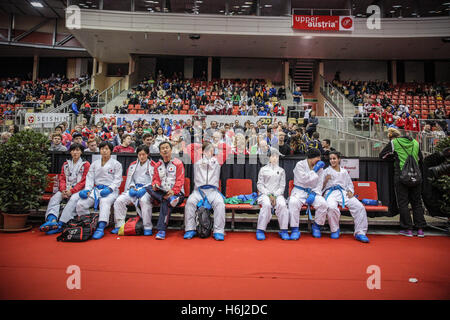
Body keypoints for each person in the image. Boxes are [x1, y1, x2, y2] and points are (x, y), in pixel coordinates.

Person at [379, 129, 427, 237]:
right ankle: (420, 229)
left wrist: (395, 157)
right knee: (417, 202)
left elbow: (382, 155)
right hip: (416, 176)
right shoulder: (415, 142)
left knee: (403, 202)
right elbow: (421, 158)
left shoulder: (394, 142)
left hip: (401, 177)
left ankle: (408, 229)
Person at [75, 141, 123, 240]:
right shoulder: (95, 164)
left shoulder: (116, 164)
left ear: (111, 151)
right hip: (96, 189)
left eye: (106, 149)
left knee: (104, 202)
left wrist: (110, 188)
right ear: (99, 150)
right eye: (102, 149)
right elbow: (90, 178)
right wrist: (87, 189)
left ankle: (101, 226)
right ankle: (87, 223)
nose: (104, 151)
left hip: (110, 190)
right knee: (81, 203)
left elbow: (118, 180)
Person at [39, 143, 90, 234]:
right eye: (73, 150)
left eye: (77, 150)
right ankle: (52, 220)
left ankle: (62, 224)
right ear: (70, 152)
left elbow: (84, 181)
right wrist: (63, 190)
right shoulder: (66, 164)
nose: (75, 152)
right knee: (55, 198)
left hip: (78, 190)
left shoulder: (86, 164)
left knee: (73, 200)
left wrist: (72, 191)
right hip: (65, 189)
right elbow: (62, 178)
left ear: (81, 152)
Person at [183, 142, 229, 241]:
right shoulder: (197, 159)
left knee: (220, 204)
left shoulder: (217, 160)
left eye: (211, 149)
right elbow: (189, 147)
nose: (209, 151)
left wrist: (215, 145)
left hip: (213, 191)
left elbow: (227, 148)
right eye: (207, 150)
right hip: (198, 191)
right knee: (190, 203)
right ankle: (190, 229)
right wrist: (202, 145)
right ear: (203, 151)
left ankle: (218, 231)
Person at [322, 151, 370, 243]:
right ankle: (335, 229)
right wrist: (325, 180)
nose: (332, 161)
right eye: (331, 159)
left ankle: (360, 233)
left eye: (334, 158)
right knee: (331, 207)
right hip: (330, 193)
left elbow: (349, 184)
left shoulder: (344, 171)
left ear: (339, 159)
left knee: (359, 207)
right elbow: (320, 187)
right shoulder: (326, 171)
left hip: (343, 193)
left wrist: (350, 192)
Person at [112, 145, 155, 235]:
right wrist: (131, 187)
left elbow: (155, 180)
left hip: (147, 190)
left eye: (144, 154)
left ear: (148, 154)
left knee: (144, 201)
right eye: (139, 154)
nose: (142, 157)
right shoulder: (133, 165)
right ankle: (119, 225)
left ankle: (147, 227)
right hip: (134, 188)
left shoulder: (153, 165)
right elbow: (130, 179)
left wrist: (145, 188)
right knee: (119, 201)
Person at [145, 141, 185, 240]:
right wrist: (155, 185)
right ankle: (168, 198)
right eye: (162, 148)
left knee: (165, 202)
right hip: (163, 192)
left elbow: (180, 180)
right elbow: (155, 179)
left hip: (177, 193)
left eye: (167, 147)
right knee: (149, 187)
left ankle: (161, 230)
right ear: (160, 152)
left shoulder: (178, 163)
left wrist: (173, 191)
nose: (165, 150)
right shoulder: (157, 165)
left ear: (171, 150)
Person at [288, 148, 329, 240]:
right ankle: (295, 229)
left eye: (320, 159)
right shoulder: (300, 165)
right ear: (311, 158)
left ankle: (317, 227)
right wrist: (314, 170)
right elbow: (304, 179)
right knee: (293, 203)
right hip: (299, 191)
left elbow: (320, 183)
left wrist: (314, 193)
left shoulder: (320, 168)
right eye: (317, 158)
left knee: (323, 204)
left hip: (313, 191)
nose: (319, 161)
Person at [256, 148, 289, 240]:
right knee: (266, 205)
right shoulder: (263, 169)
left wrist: (274, 195)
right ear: (269, 158)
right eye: (272, 156)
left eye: (276, 156)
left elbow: (282, 187)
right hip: (265, 195)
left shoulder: (282, 171)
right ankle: (260, 230)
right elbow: (260, 185)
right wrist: (269, 195)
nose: (275, 158)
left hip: (278, 195)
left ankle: (284, 230)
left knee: (282, 205)